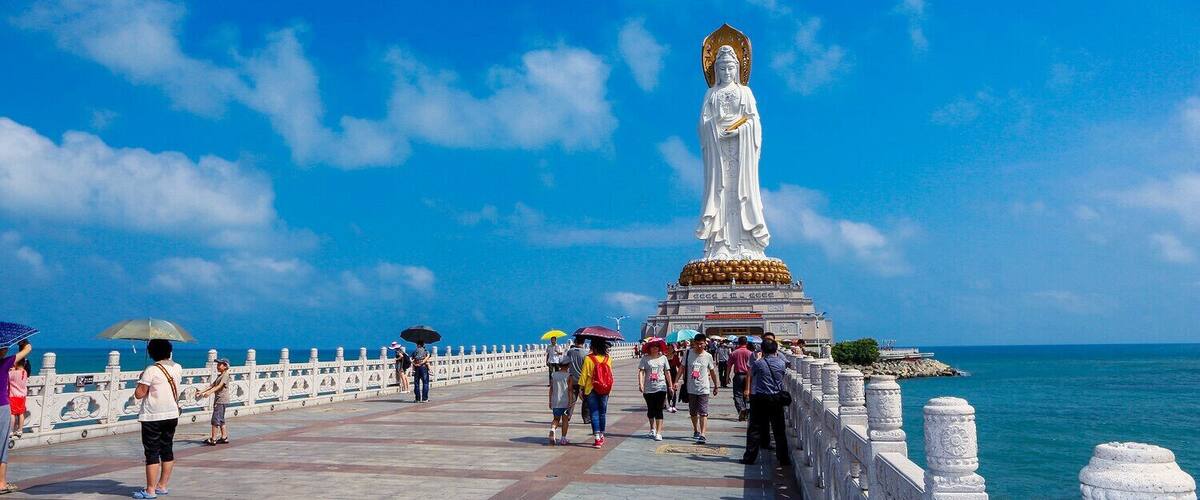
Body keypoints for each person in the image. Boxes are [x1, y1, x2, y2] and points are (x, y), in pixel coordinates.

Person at [133, 339, 183, 499]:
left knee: (152, 452)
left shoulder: (151, 370)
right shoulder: (177, 367)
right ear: (169, 351)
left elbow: (139, 394)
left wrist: (141, 379)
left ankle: (150, 490)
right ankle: (162, 486)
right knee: (167, 449)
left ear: (152, 352)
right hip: (171, 414)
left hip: (153, 416)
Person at [740, 338, 792, 466]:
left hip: (760, 398)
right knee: (779, 429)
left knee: (754, 429)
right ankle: (783, 458)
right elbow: (787, 367)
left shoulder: (759, 363)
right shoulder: (781, 363)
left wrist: (758, 360)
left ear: (762, 350)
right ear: (776, 350)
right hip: (776, 398)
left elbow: (751, 374)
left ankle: (750, 457)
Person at [0, 340, 32, 494]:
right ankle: (1, 484)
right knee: (2, 445)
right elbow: (28, 349)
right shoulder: (5, 362)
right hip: (2, 407)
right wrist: (23, 342)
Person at [675, 336, 718, 444]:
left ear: (705, 344)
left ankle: (703, 434)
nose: (699, 346)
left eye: (701, 344)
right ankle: (696, 430)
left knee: (703, 412)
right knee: (693, 411)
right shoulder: (688, 353)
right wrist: (676, 381)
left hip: (704, 388)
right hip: (691, 387)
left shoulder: (708, 356)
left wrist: (716, 385)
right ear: (694, 343)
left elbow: (712, 371)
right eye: (697, 343)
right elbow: (681, 367)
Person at [577, 339, 612, 448]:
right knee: (602, 413)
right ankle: (602, 434)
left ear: (593, 347)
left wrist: (580, 388)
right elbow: (609, 374)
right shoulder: (608, 358)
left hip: (590, 389)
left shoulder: (588, 358)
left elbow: (584, 375)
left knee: (594, 413)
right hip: (605, 389)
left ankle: (597, 437)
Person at [637, 341, 672, 441]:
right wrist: (641, 384)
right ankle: (652, 428)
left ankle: (659, 432)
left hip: (661, 387)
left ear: (659, 348)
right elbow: (641, 371)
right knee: (650, 409)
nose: (654, 348)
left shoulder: (663, 358)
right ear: (649, 348)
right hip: (648, 388)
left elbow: (667, 372)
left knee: (659, 409)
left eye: (656, 347)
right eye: (652, 347)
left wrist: (670, 386)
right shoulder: (645, 358)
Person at [197, 358, 231, 446]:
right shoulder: (220, 375)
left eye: (220, 364)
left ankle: (213, 439)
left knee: (215, 420)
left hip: (221, 400)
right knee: (221, 419)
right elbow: (212, 385)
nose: (218, 366)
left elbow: (219, 386)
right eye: (217, 364)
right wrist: (202, 391)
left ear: (225, 366)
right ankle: (224, 437)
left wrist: (209, 392)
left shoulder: (226, 375)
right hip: (221, 400)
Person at [564, 336, 590, 425]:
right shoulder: (586, 353)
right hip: (582, 380)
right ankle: (586, 418)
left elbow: (566, 362)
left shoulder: (570, 352)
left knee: (571, 399)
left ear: (575, 342)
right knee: (586, 400)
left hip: (572, 379)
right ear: (583, 342)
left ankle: (568, 416)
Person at [8, 342, 30, 438]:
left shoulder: (13, 373)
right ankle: (20, 430)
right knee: (21, 413)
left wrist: (10, 370)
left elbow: (7, 377)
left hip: (13, 396)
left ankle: (11, 431)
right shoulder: (25, 372)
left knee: (12, 414)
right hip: (22, 396)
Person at [728, 336, 753, 421]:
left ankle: (741, 409)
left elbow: (729, 366)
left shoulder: (734, 353)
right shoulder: (750, 353)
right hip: (748, 376)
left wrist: (727, 376)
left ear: (738, 343)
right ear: (746, 343)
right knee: (747, 394)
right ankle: (746, 410)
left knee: (738, 395)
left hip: (738, 375)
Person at [548, 362, 571, 445]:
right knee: (565, 420)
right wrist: (571, 401)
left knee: (556, 419)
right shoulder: (568, 376)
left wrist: (550, 401)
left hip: (555, 401)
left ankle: (553, 429)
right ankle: (563, 439)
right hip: (565, 402)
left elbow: (551, 389)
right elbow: (570, 390)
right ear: (568, 366)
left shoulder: (553, 375)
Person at [665, 343, 682, 413]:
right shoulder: (664, 357)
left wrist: (681, 375)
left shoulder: (675, 357)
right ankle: (669, 405)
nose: (669, 349)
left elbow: (679, 366)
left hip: (674, 374)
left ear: (673, 349)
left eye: (671, 348)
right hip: (666, 375)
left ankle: (673, 406)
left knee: (673, 390)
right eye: (668, 348)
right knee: (668, 390)